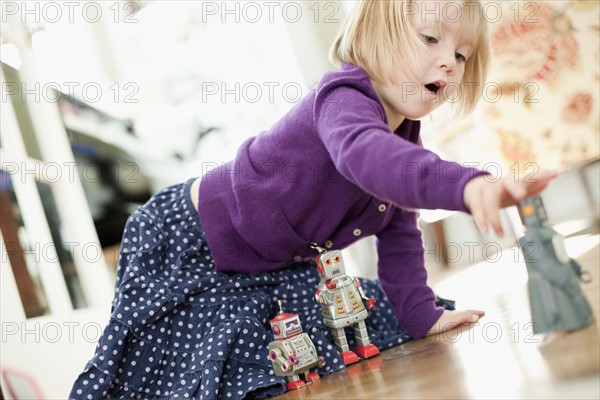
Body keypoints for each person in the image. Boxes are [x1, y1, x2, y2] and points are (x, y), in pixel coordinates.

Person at [71, 1, 556, 398]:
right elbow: (369, 157)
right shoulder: (342, 98)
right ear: (371, 36)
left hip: (274, 264)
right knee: (179, 371)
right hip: (186, 239)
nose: (450, 62)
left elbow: (400, 234)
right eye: (431, 39)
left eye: (464, 54)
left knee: (357, 324)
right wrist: (467, 184)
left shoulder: (406, 139)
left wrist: (423, 316)